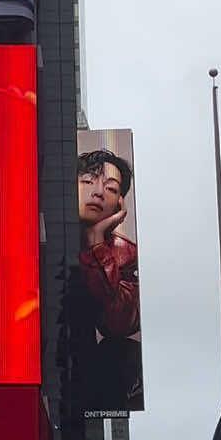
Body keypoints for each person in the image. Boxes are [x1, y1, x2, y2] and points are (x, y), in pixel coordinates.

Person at [73, 148, 143, 412]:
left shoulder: (127, 254)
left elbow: (117, 323)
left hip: (89, 381)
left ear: (119, 205)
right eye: (88, 181)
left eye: (111, 189)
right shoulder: (36, 233)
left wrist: (96, 242)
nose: (99, 192)